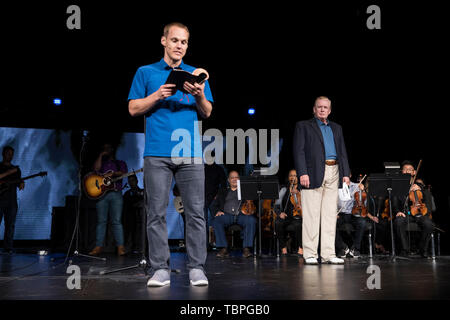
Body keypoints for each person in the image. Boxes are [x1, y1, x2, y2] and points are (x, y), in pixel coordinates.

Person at [128, 22, 213, 287]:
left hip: (189, 153)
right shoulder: (146, 72)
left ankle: (197, 268)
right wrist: (157, 95)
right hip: (157, 153)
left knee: (196, 212)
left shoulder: (195, 74)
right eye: (175, 40)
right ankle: (160, 269)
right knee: (156, 212)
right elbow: (132, 109)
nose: (179, 46)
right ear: (163, 41)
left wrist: (199, 95)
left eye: (184, 42)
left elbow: (207, 111)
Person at [293, 96, 351, 265]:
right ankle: (310, 253)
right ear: (314, 109)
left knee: (329, 216)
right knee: (311, 215)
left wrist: (345, 173)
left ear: (330, 110)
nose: (322, 109)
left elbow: (342, 152)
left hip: (334, 170)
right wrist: (302, 173)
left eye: (326, 107)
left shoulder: (336, 128)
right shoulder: (303, 126)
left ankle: (328, 253)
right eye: (319, 107)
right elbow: (299, 151)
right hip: (313, 173)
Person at [89, 143, 128, 256]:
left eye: (108, 148)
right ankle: (98, 246)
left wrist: (114, 173)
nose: (106, 150)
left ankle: (120, 247)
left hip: (116, 194)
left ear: (112, 150)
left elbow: (124, 173)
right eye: (104, 148)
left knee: (116, 221)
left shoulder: (119, 163)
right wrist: (101, 155)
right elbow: (95, 169)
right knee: (101, 221)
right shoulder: (102, 164)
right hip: (102, 195)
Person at [212, 171, 257, 258]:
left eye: (236, 177)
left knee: (251, 220)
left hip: (242, 215)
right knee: (217, 220)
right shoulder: (223, 191)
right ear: (228, 180)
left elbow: (253, 203)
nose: (234, 179)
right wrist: (217, 211)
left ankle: (246, 248)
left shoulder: (245, 190)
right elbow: (214, 205)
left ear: (239, 179)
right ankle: (223, 248)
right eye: (232, 178)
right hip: (227, 215)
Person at [393, 161, 434, 257]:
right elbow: (394, 203)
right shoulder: (397, 187)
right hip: (405, 214)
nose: (407, 171)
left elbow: (427, 201)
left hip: (419, 213)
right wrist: (398, 212)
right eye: (405, 169)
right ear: (401, 172)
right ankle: (405, 249)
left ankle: (422, 250)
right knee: (398, 222)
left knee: (429, 224)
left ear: (414, 172)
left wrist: (420, 188)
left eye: (410, 169)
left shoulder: (420, 186)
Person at [335, 174, 378, 258]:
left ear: (350, 175)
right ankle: (342, 247)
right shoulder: (336, 187)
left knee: (362, 222)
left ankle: (355, 249)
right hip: (340, 214)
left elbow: (363, 205)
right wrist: (334, 213)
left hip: (353, 213)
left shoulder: (357, 186)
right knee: (329, 224)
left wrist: (363, 192)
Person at [0, 146, 24, 254]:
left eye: (11, 154)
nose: (10, 156)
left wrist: (21, 183)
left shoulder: (17, 170)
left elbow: (19, 182)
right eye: (8, 153)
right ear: (3, 154)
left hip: (11, 201)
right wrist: (10, 172)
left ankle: (8, 247)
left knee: (10, 225)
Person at [274, 169, 303, 256]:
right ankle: (283, 248)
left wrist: (299, 193)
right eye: (291, 175)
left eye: (295, 176)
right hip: (287, 216)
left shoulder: (303, 189)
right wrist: (280, 213)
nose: (293, 177)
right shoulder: (284, 189)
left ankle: (301, 248)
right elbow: (276, 205)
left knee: (299, 225)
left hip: (299, 216)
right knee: (278, 222)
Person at [122, 174, 144, 253]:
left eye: (133, 181)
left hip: (140, 218)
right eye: (129, 181)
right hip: (130, 218)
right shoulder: (127, 194)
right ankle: (130, 247)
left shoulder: (142, 192)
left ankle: (140, 248)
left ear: (137, 181)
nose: (131, 183)